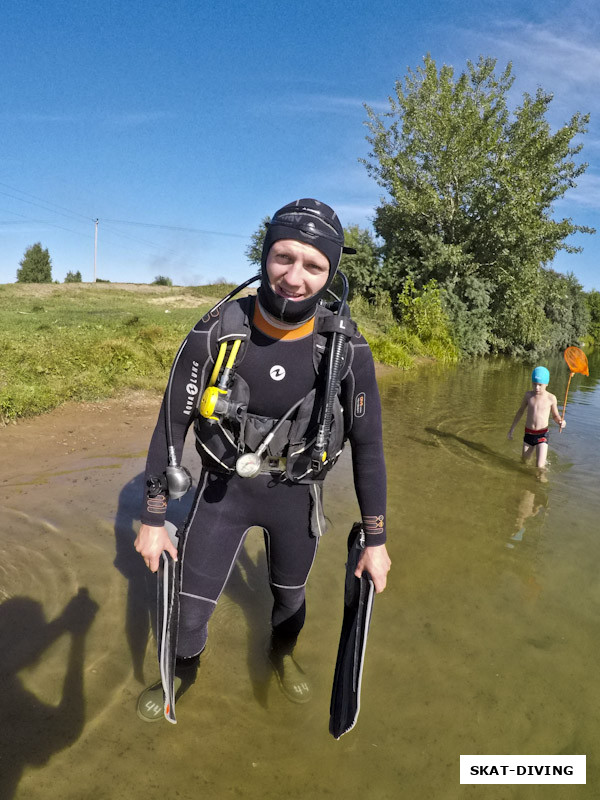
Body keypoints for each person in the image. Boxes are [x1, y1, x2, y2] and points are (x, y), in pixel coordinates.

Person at [134, 198, 391, 722]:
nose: (294, 277)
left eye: (314, 265)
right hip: (223, 492)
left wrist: (377, 540)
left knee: (289, 603)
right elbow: (170, 428)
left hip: (296, 498)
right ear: (265, 254)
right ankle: (183, 672)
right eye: (283, 257)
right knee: (186, 615)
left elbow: (369, 446)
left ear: (332, 271)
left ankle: (283, 657)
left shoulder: (346, 350)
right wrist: (154, 518)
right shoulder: (216, 331)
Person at [507, 366, 565, 470]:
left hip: (542, 434)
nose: (537, 387)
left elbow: (555, 416)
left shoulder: (551, 398)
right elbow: (520, 411)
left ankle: (541, 479)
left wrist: (560, 421)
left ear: (546, 384)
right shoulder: (528, 395)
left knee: (539, 467)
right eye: (534, 384)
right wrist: (512, 429)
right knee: (524, 462)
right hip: (528, 433)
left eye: (540, 385)